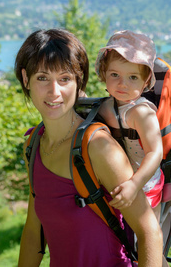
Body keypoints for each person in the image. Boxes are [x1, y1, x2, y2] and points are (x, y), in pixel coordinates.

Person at [15, 28, 163, 267]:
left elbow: (150, 233)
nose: (54, 92)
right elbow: (34, 232)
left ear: (78, 81)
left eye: (64, 79)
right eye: (42, 78)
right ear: (25, 79)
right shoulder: (33, 146)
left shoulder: (98, 147)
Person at [95, 30, 171, 229]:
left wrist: (135, 184)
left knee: (149, 241)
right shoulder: (105, 105)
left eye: (133, 77)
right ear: (104, 73)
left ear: (145, 81)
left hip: (144, 184)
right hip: (118, 182)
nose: (122, 84)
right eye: (115, 75)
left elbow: (154, 152)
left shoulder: (141, 113)